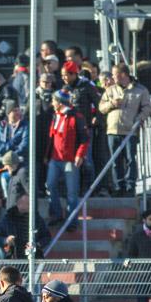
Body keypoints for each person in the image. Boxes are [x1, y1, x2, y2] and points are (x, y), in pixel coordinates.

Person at [99, 64, 151, 197]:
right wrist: (112, 104)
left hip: (130, 131)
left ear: (123, 75)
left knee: (130, 159)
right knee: (115, 161)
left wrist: (137, 120)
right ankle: (118, 186)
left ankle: (130, 186)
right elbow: (101, 107)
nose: (112, 77)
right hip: (113, 130)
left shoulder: (140, 90)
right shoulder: (110, 90)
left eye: (115, 74)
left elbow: (146, 108)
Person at [46, 90, 88, 226]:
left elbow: (84, 139)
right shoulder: (54, 116)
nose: (52, 104)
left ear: (59, 102)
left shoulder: (76, 117)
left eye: (54, 101)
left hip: (70, 160)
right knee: (50, 184)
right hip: (55, 158)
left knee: (72, 192)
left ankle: (71, 221)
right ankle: (57, 214)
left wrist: (79, 155)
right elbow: (51, 139)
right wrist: (47, 155)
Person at [0, 193, 50, 259]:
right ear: (17, 203)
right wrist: (6, 240)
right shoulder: (8, 219)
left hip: (34, 258)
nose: (24, 205)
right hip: (13, 258)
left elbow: (47, 237)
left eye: (28, 203)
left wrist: (37, 244)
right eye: (22, 203)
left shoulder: (37, 219)